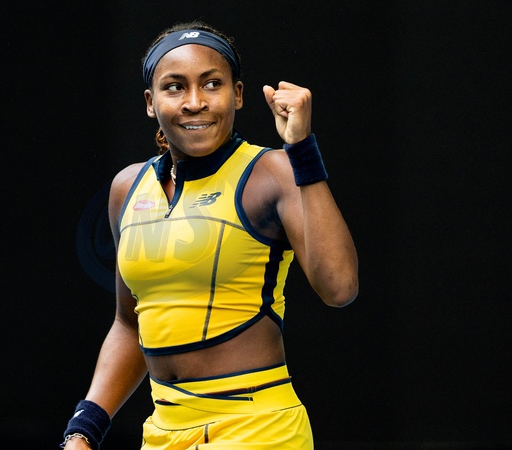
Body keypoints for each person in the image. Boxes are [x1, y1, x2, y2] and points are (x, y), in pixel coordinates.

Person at [60, 20, 359, 449]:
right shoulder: (128, 187)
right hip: (163, 432)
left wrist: (301, 150)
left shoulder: (271, 171)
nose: (195, 102)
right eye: (175, 87)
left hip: (258, 429)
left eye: (212, 84)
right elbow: (129, 324)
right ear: (150, 102)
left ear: (237, 94)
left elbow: (340, 288)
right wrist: (84, 429)